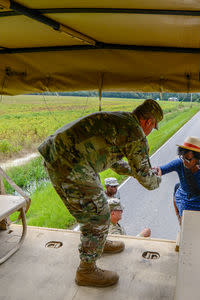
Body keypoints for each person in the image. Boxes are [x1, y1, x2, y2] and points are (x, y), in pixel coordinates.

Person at [38, 99, 163, 287]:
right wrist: (156, 176)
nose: (149, 132)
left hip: (57, 156)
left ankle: (99, 243)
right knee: (97, 214)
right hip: (71, 163)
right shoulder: (135, 133)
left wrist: (135, 171)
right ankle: (86, 271)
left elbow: (115, 163)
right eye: (152, 128)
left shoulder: (122, 120)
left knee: (94, 210)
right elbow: (148, 181)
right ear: (149, 122)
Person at [155, 136, 200, 223]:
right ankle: (179, 218)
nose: (184, 162)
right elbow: (162, 169)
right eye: (182, 157)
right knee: (185, 224)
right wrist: (156, 171)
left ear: (197, 158)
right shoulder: (179, 163)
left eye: (188, 159)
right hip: (185, 199)